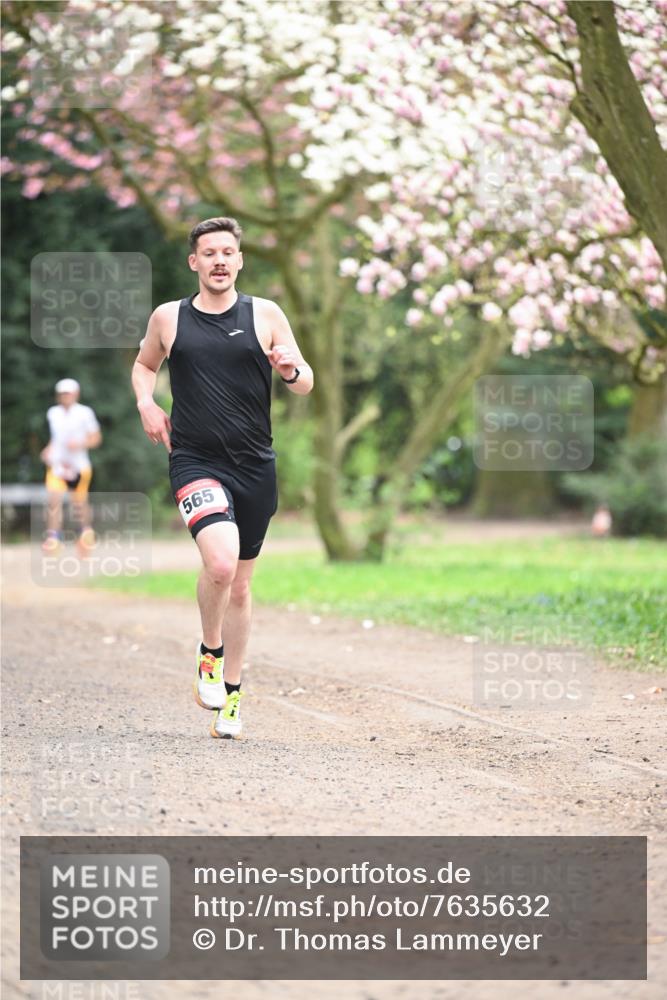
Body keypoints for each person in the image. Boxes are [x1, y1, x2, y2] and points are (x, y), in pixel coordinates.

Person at [132, 217, 313, 739]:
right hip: (194, 459)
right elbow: (144, 366)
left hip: (255, 465)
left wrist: (289, 370)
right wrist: (147, 402)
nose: (218, 260)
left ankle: (231, 695)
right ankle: (210, 650)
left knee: (240, 587)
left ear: (239, 260)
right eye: (208, 252)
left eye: (227, 252)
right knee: (219, 564)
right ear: (194, 262)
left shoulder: (266, 314)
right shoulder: (170, 318)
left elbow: (305, 383)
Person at [40, 378, 102, 554]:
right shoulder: (53, 413)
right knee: (54, 500)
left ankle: (86, 536)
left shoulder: (85, 413)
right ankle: (53, 539)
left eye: (68, 393)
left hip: (78, 466)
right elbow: (56, 439)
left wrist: (80, 443)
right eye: (62, 393)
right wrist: (48, 450)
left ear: (76, 394)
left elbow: (96, 438)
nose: (65, 396)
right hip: (58, 466)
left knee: (79, 504)